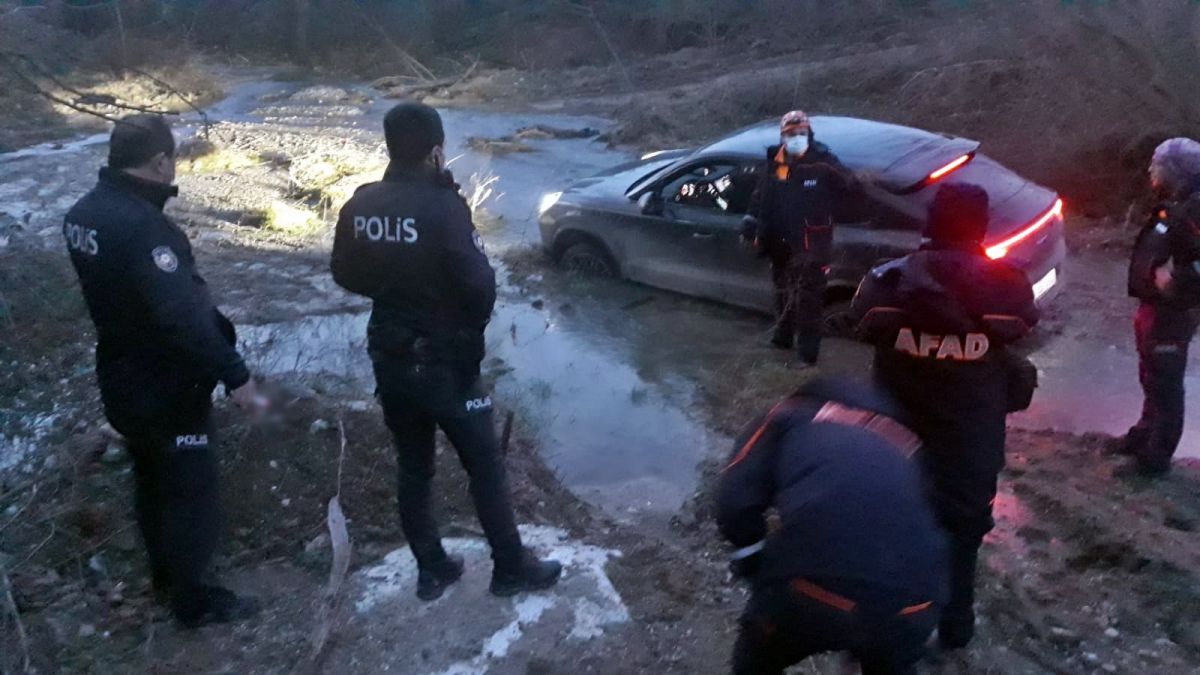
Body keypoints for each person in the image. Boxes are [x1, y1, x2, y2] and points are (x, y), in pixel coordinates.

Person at [331, 102, 561, 602]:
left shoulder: (362, 201)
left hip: (389, 355)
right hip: (445, 363)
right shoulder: (443, 208)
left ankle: (432, 569)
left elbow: (344, 274)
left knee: (414, 466)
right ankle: (510, 568)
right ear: (436, 151)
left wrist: (394, 288)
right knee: (484, 465)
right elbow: (480, 286)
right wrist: (461, 327)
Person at [62, 114, 262, 628]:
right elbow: (181, 317)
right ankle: (194, 602)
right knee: (192, 494)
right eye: (171, 160)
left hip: (121, 378)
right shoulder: (145, 228)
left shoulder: (83, 215)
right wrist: (235, 374)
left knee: (151, 481)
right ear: (157, 162)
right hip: (167, 387)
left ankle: (166, 583)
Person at [850, 183, 1039, 649]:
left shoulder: (888, 280)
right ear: (982, 225)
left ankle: (888, 626)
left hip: (895, 441)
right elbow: (1022, 327)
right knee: (963, 538)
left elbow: (860, 321)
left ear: (930, 220)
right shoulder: (1007, 285)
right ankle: (956, 628)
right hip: (970, 442)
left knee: (892, 532)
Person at [717, 378, 947, 675]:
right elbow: (929, 520)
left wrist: (752, 560)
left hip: (813, 589)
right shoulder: (906, 442)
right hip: (918, 602)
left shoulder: (786, 414)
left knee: (755, 661)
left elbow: (733, 501)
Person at [741, 110, 859, 364]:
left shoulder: (823, 161)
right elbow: (762, 195)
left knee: (809, 301)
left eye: (801, 133)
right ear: (783, 136)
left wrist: (835, 190)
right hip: (780, 241)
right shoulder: (778, 161)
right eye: (790, 134)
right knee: (783, 291)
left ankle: (807, 356)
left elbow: (851, 189)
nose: (796, 138)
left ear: (809, 134)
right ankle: (782, 340)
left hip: (812, 243)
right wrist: (751, 223)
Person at [1120, 137, 1200, 477]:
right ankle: (1144, 434)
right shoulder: (1175, 203)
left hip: (1175, 310)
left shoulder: (1196, 207)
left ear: (1178, 171)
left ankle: (1157, 456)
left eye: (1159, 165)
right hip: (1155, 305)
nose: (1152, 170)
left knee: (1165, 381)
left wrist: (1177, 279)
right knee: (1151, 375)